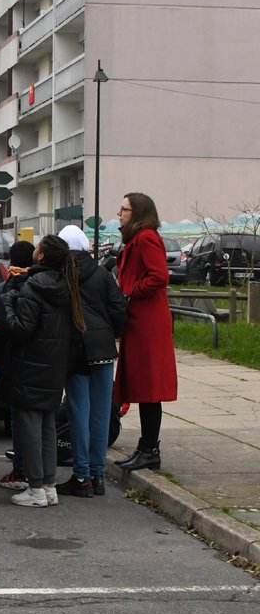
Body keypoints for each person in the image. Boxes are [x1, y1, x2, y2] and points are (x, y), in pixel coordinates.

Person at [0, 235, 85, 507]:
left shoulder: (32, 288)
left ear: (41, 257)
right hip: (54, 366)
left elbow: (20, 329)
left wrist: (8, 304)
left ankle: (35, 487)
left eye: (37, 247)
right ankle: (49, 485)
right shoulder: (66, 286)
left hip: (30, 365)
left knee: (29, 427)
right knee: (47, 426)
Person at [55, 225, 128, 497]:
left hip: (74, 349)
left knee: (78, 412)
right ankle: (98, 475)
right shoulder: (101, 273)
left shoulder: (62, 273)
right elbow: (119, 308)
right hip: (103, 348)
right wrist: (111, 333)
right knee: (100, 413)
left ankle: (81, 475)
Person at [113, 193, 177, 471]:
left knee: (149, 387)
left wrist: (130, 292)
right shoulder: (137, 239)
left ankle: (150, 448)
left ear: (137, 213)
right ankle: (145, 446)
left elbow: (159, 276)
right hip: (140, 321)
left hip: (148, 323)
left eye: (124, 209)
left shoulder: (147, 237)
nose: (120, 213)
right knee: (141, 385)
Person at [0, 239, 35, 492]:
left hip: (12, 360)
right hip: (40, 360)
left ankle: (21, 468)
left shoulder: (6, 287)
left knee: (18, 417)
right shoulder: (41, 284)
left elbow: (1, 326)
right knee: (39, 420)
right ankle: (37, 471)